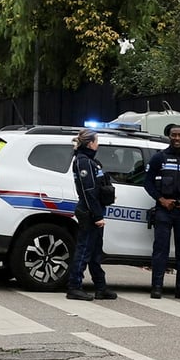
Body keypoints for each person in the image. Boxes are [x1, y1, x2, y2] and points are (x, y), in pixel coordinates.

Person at [144, 124, 180, 300]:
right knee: (160, 250)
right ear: (169, 137)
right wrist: (161, 200)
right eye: (174, 135)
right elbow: (147, 183)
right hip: (164, 210)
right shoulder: (159, 158)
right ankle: (157, 287)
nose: (177, 138)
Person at [65, 128, 117, 301]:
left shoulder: (90, 161)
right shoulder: (83, 162)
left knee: (95, 252)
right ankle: (74, 286)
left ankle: (100, 287)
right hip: (89, 211)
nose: (98, 144)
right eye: (97, 140)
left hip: (95, 210)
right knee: (84, 250)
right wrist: (97, 216)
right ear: (90, 143)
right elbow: (88, 192)